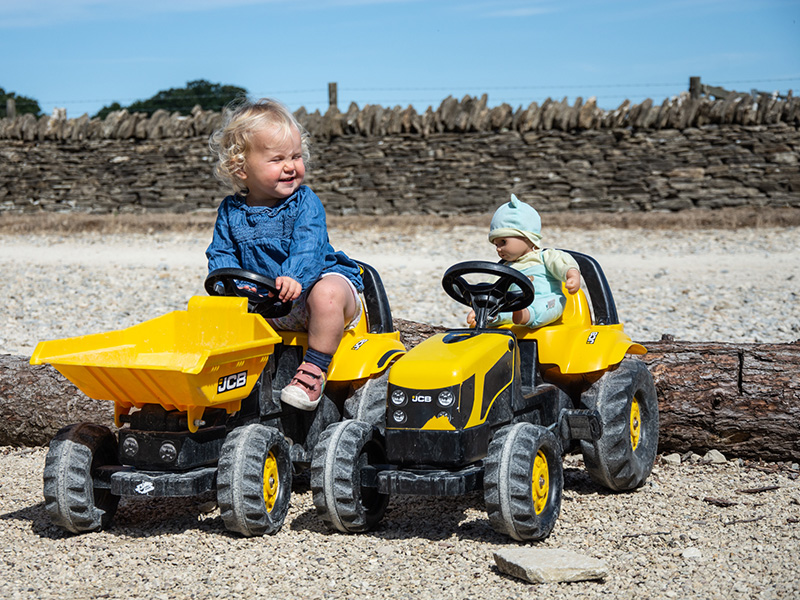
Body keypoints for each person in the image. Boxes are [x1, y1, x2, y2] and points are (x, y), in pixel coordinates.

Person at [206, 98, 363, 411]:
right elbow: (221, 253)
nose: (291, 166)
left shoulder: (305, 202)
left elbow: (310, 243)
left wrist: (294, 275)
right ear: (241, 167)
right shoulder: (230, 211)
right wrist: (227, 285)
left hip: (313, 293)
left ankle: (314, 370)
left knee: (326, 294)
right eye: (278, 159)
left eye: (296, 156)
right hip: (265, 303)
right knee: (213, 313)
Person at [467, 194, 581, 329]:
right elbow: (490, 289)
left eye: (503, 242)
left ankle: (528, 314)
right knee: (498, 310)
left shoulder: (544, 257)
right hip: (514, 307)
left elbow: (564, 263)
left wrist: (572, 276)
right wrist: (480, 307)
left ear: (527, 237)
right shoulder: (503, 267)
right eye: (495, 244)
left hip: (545, 301)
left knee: (555, 302)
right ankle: (489, 317)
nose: (498, 249)